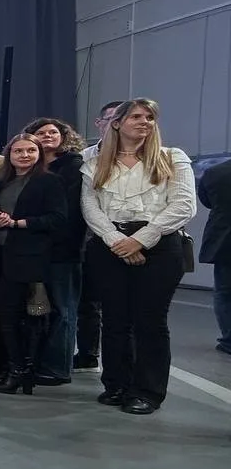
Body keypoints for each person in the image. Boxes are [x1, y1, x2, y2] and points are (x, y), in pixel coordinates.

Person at [81, 99, 195, 414]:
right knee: (115, 319)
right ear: (117, 123)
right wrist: (117, 240)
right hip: (110, 245)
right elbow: (90, 206)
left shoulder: (172, 157)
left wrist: (140, 240)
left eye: (150, 117)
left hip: (160, 245)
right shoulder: (94, 162)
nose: (144, 121)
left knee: (150, 321)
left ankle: (147, 391)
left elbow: (184, 204)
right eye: (136, 116)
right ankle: (116, 384)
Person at [0, 134, 67, 395]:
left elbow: (58, 219)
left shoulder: (49, 181)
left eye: (30, 150)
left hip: (30, 257)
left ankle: (20, 370)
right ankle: (17, 368)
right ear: (9, 154)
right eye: (18, 151)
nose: (24, 155)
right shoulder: (4, 181)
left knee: (14, 313)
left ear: (39, 153)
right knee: (6, 313)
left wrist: (17, 223)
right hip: (2, 254)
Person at [24, 118, 86, 385]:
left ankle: (57, 368)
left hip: (63, 250)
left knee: (62, 310)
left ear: (64, 136)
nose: (47, 136)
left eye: (53, 132)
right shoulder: (30, 168)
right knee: (37, 308)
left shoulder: (74, 166)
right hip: (32, 250)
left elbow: (71, 213)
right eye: (41, 132)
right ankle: (36, 361)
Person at [74, 100, 125, 370]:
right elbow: (86, 202)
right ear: (100, 123)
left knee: (125, 310)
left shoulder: (159, 157)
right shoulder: (85, 158)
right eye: (113, 119)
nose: (118, 124)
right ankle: (88, 352)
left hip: (138, 239)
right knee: (88, 301)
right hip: (91, 238)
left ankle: (128, 370)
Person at [199, 156, 231, 354]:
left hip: (224, 239)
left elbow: (207, 201)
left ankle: (229, 340)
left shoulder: (214, 173)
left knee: (225, 292)